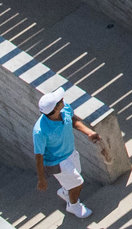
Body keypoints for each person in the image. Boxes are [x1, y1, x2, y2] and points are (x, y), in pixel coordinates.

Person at [34, 90, 93, 219]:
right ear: (54, 109)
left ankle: (66, 191)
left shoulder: (64, 107)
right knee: (77, 182)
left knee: (75, 177)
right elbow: (39, 156)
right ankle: (73, 206)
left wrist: (88, 132)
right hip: (56, 163)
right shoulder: (39, 131)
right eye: (59, 101)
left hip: (70, 153)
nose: (63, 100)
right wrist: (41, 179)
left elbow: (72, 119)